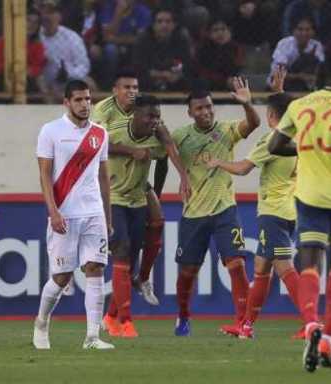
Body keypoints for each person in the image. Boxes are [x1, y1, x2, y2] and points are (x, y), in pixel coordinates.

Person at [268, 59, 331, 372]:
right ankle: (328, 338)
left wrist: (304, 150)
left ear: (316, 79)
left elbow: (275, 144)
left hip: (309, 194)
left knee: (309, 262)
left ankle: (311, 323)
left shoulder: (300, 105)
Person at [205, 68, 302, 339]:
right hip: (288, 209)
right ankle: (246, 326)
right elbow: (285, 112)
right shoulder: (299, 133)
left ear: (270, 116)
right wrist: (279, 92)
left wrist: (218, 162)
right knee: (261, 268)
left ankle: (311, 322)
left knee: (284, 268)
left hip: (273, 211)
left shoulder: (271, 139)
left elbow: (244, 168)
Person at [171, 77, 260, 337]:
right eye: (199, 108)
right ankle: (184, 315)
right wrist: (182, 176)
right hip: (194, 214)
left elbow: (253, 124)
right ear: (190, 112)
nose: (206, 112)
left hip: (225, 210)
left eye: (209, 106)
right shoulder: (181, 137)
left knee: (237, 265)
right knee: (187, 272)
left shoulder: (226, 130)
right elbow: (163, 151)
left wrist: (247, 104)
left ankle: (244, 323)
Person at [32, 79, 114, 350]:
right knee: (61, 277)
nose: (84, 104)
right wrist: (53, 212)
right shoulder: (51, 131)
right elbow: (44, 175)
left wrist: (108, 216)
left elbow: (103, 177)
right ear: (66, 102)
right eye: (78, 100)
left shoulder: (100, 134)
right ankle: (42, 321)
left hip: (93, 213)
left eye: (88, 99)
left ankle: (92, 337)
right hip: (64, 213)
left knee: (95, 269)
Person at [103, 94, 169, 338]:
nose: (154, 121)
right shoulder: (115, 131)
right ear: (134, 114)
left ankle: (110, 317)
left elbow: (164, 160)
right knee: (121, 253)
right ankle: (125, 321)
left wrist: (158, 193)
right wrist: (131, 151)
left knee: (127, 265)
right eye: (150, 116)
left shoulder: (157, 137)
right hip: (114, 200)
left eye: (157, 117)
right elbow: (98, 147)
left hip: (139, 200)